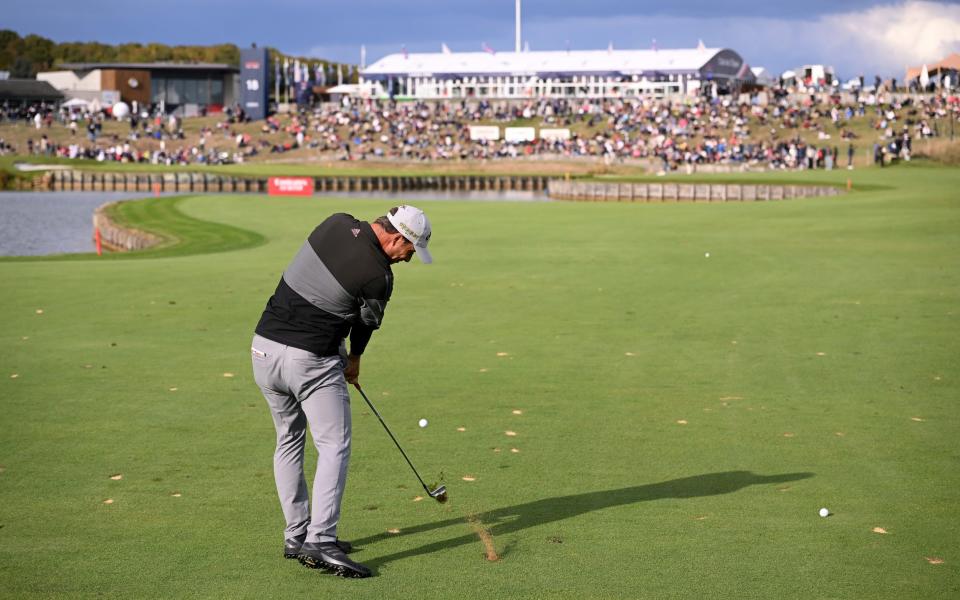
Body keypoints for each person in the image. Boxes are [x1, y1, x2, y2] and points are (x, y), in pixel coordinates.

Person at [251, 205, 433, 579]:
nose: (408, 259)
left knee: (288, 440)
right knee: (334, 446)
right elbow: (363, 327)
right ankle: (321, 540)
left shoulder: (335, 221)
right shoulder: (379, 276)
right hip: (309, 362)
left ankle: (296, 535)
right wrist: (354, 361)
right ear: (398, 237)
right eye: (410, 250)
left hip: (263, 349)